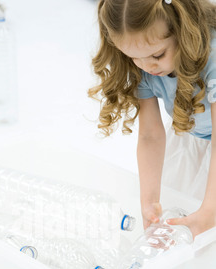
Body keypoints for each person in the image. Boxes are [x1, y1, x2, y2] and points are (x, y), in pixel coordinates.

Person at [88, 0, 216, 239]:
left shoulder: (214, 57)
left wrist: (210, 209)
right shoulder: (144, 64)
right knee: (183, 213)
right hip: (194, 137)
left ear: (183, 28)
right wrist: (149, 201)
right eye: (134, 57)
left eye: (157, 55)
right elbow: (150, 135)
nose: (147, 66)